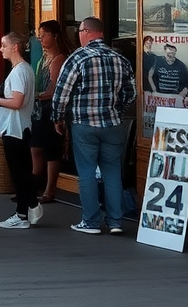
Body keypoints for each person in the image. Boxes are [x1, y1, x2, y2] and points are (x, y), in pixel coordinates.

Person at [52, 16, 137, 235]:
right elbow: (131, 93)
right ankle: (116, 221)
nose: (78, 36)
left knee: (87, 172)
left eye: (79, 31)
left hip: (84, 123)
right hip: (113, 124)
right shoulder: (120, 59)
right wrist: (116, 111)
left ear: (86, 32)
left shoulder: (77, 58)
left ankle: (90, 222)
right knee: (111, 172)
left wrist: (58, 118)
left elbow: (61, 93)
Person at [0, 32, 43, 229]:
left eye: (4, 45)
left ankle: (26, 209)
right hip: (21, 126)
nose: (1, 49)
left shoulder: (19, 72)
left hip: (15, 128)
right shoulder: (25, 69)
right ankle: (25, 209)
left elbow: (17, 101)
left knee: (18, 172)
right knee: (22, 170)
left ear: (15, 47)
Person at [30, 20, 69, 203]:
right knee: (35, 148)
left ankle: (49, 190)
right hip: (38, 108)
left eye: (44, 34)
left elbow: (54, 89)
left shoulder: (59, 58)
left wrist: (36, 96)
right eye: (39, 34)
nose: (40, 38)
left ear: (54, 36)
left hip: (51, 109)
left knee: (52, 150)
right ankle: (34, 186)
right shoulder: (42, 58)